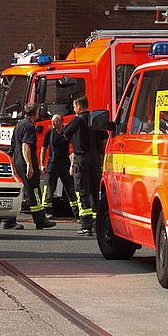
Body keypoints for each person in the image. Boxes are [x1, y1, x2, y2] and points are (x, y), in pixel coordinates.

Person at [10, 102, 55, 230]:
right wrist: (29, 164)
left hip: (17, 161)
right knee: (34, 191)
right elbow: (26, 145)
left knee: (19, 192)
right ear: (36, 113)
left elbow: (13, 146)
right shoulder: (29, 126)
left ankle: (10, 220)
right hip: (26, 163)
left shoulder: (18, 125)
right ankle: (40, 220)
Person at [64, 95, 102, 236]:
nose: (74, 109)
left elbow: (65, 133)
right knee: (95, 193)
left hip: (82, 159)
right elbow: (103, 138)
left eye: (74, 106)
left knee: (82, 192)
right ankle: (98, 225)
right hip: (96, 158)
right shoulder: (96, 119)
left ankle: (86, 226)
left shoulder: (77, 121)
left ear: (79, 107)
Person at [39, 113, 76, 220]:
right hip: (52, 164)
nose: (53, 123)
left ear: (61, 122)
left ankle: (77, 213)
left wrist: (72, 165)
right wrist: (42, 164)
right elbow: (44, 148)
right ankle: (46, 211)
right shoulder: (50, 133)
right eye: (52, 121)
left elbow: (75, 148)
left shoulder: (67, 133)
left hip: (65, 164)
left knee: (70, 189)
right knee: (49, 189)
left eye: (55, 121)